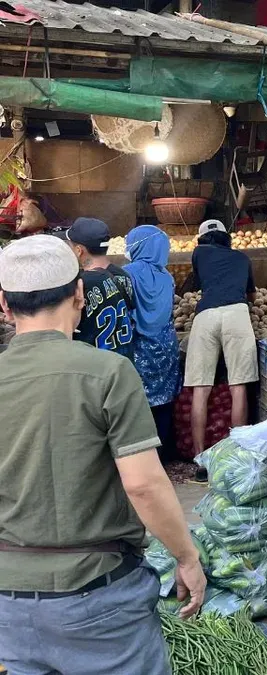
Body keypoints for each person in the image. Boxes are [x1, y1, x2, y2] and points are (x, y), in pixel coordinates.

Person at [0, 236, 205, 674]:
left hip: (9, 608)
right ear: (78, 294)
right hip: (98, 597)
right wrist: (187, 558)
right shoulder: (108, 372)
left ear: (4, 304)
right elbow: (144, 485)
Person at [186, 219, 258, 460]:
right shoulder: (242, 258)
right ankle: (238, 454)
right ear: (227, 237)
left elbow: (199, 284)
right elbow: (252, 296)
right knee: (238, 386)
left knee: (201, 388)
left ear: (202, 238)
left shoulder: (198, 253)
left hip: (206, 314)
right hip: (238, 313)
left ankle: (200, 458)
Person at [123, 225, 182, 461]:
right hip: (165, 345)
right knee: (164, 400)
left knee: (138, 402)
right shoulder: (167, 278)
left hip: (139, 346)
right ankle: (162, 455)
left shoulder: (126, 274)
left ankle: (141, 458)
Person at [60, 217, 137, 361]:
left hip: (96, 365)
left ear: (78, 250)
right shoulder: (123, 276)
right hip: (124, 360)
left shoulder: (80, 284)